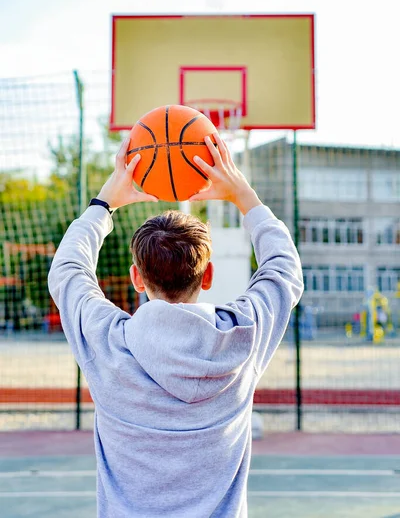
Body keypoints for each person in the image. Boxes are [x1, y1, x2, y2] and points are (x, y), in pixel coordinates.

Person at [48, 133, 303, 518]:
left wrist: (104, 204)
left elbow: (68, 270)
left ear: (136, 278)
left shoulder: (107, 343)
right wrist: (244, 197)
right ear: (208, 275)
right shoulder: (243, 337)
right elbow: (284, 269)